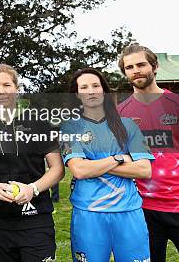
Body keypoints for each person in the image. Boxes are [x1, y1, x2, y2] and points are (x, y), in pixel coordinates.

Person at [117, 43, 179, 261]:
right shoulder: (120, 113)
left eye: (141, 64)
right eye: (129, 67)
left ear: (155, 66)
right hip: (141, 209)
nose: (136, 70)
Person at [0, 64, 63, 262]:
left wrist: (33, 189)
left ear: (17, 88)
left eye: (7, 85)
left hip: (36, 218)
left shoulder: (37, 120)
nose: (1, 91)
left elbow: (57, 168)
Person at [62, 67, 153, 262]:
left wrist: (93, 164)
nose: (91, 91)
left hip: (128, 211)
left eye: (96, 85)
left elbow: (144, 170)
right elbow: (79, 170)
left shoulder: (128, 125)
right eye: (84, 87)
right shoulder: (71, 127)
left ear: (103, 90)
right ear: (77, 95)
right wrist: (119, 158)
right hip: (89, 213)